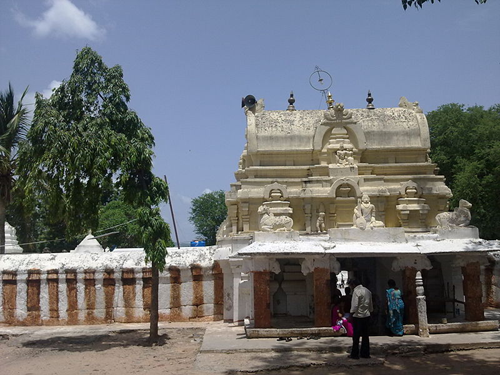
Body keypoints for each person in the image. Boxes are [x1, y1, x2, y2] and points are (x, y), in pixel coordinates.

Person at [348, 278, 373, 359]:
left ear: (353, 285)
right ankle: (365, 353)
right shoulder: (367, 291)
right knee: (365, 336)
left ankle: (355, 354)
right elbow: (370, 304)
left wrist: (351, 314)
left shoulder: (356, 291)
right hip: (366, 315)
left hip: (358, 316)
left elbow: (355, 305)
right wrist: (370, 311)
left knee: (356, 336)